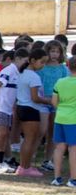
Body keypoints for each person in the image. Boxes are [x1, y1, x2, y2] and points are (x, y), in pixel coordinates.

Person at [0, 45, 29, 173]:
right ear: (18, 58)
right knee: (1, 133)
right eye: (25, 60)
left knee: (5, 135)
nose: (26, 64)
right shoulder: (8, 70)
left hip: (7, 108)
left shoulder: (17, 72)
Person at [13, 41, 49, 178]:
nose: (43, 65)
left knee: (28, 139)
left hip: (23, 107)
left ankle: (24, 165)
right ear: (32, 60)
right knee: (30, 139)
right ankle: (25, 167)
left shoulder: (22, 74)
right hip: (30, 109)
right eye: (42, 62)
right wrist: (48, 101)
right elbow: (35, 98)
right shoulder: (33, 76)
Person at [36, 35, 69, 171]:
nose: (54, 54)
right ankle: (31, 155)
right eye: (52, 51)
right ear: (47, 52)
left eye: (57, 51)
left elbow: (65, 85)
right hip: (43, 101)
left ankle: (47, 159)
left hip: (57, 103)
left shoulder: (62, 69)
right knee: (41, 130)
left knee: (53, 132)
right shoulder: (42, 68)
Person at [51, 52, 76, 187]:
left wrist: (61, 109)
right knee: (73, 149)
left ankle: (57, 177)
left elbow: (54, 102)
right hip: (73, 119)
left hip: (60, 117)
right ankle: (73, 179)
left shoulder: (60, 82)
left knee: (59, 148)